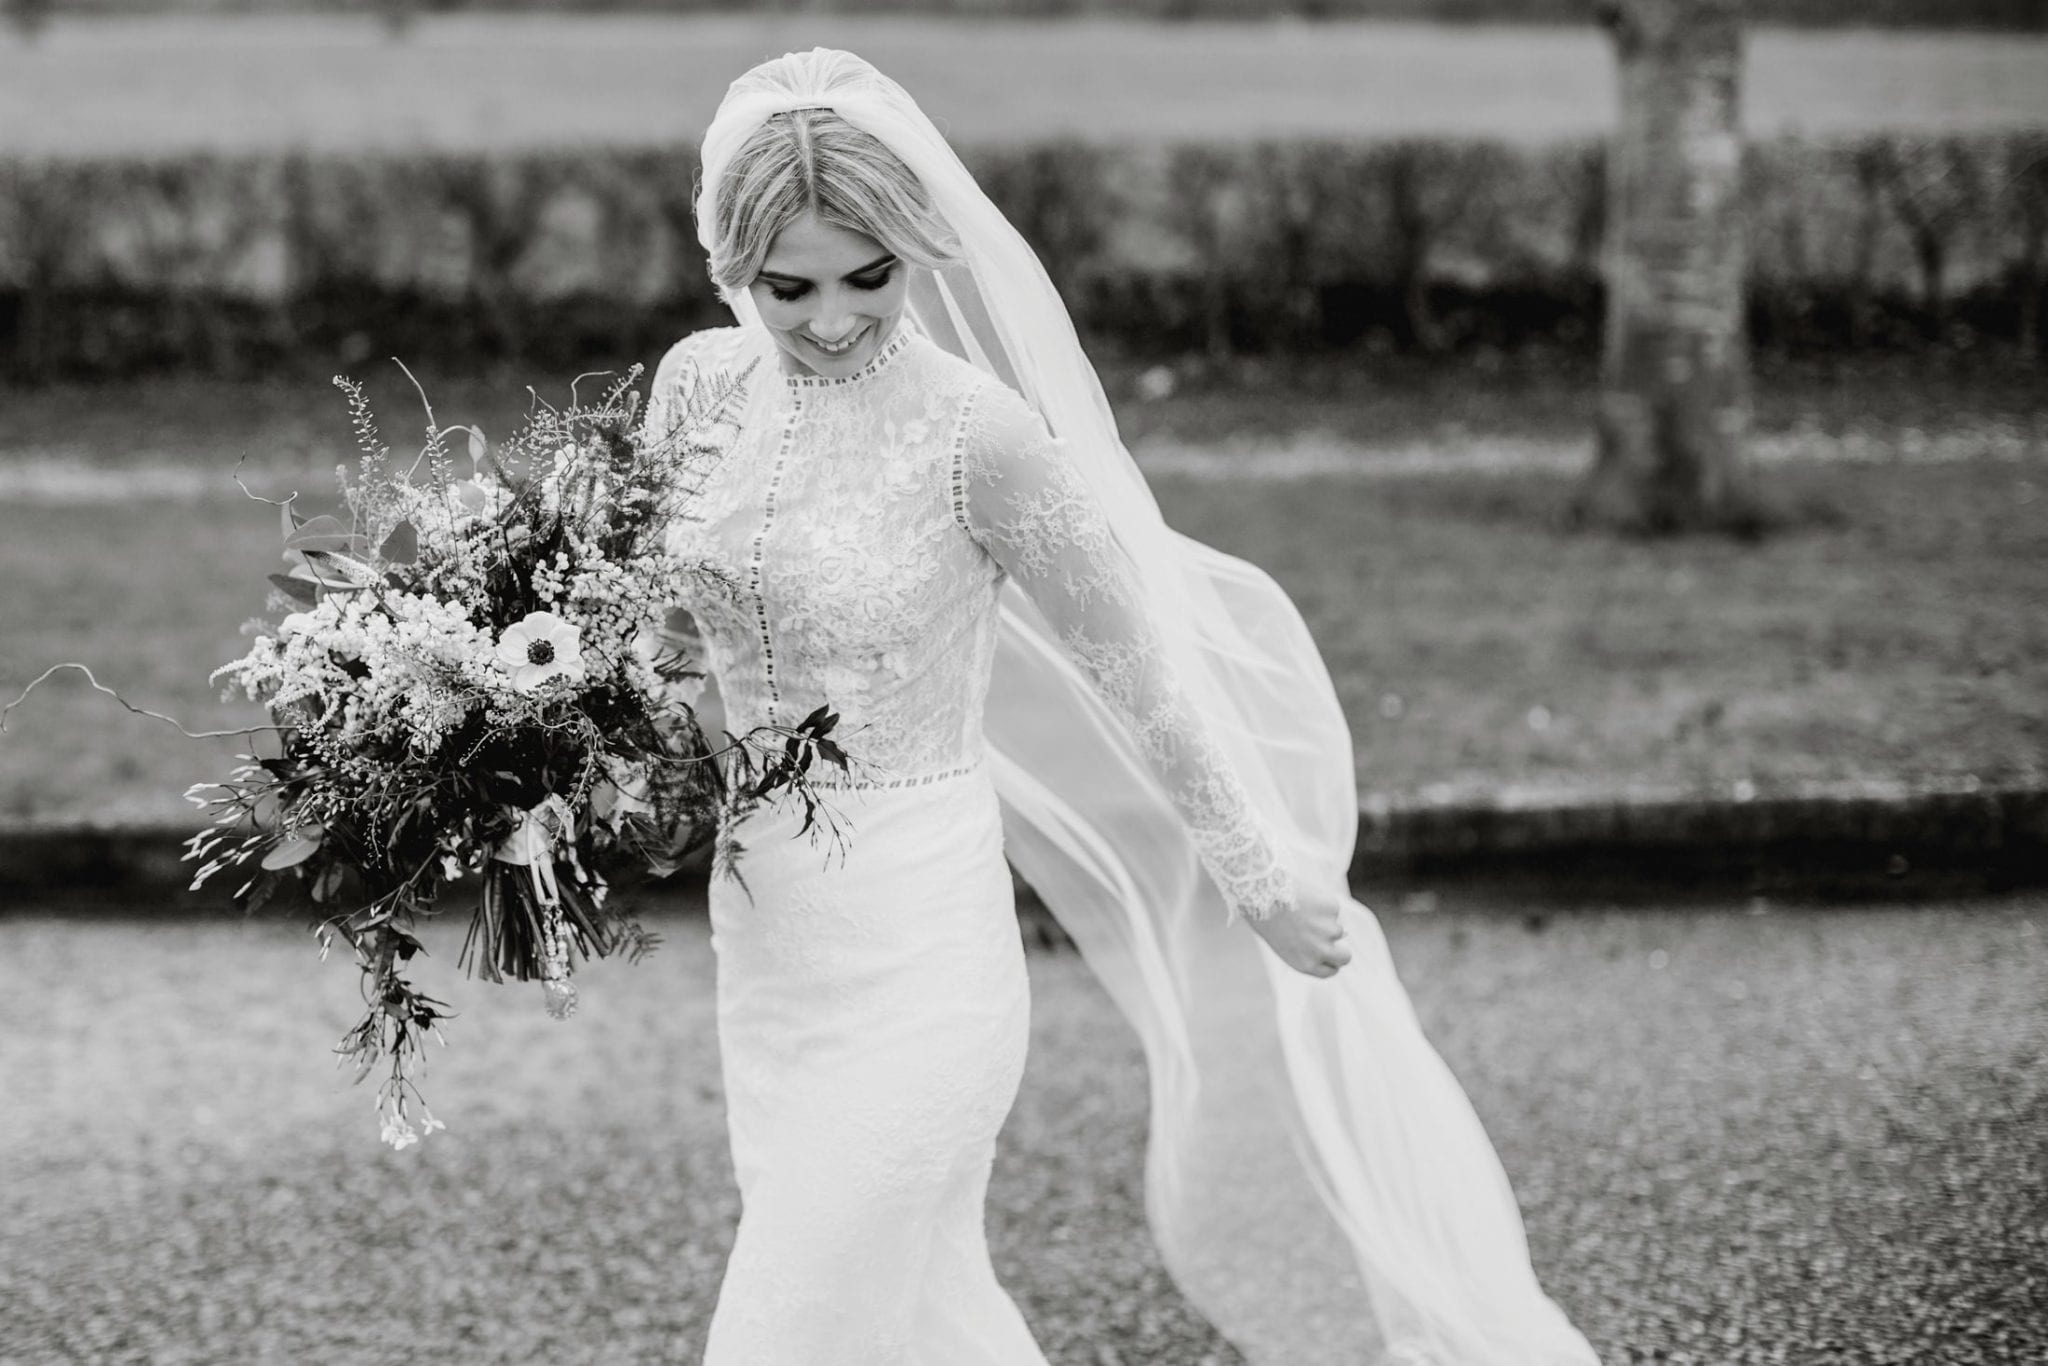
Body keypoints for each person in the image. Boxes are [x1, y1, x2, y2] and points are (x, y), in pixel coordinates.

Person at [649, 48, 1600, 1366]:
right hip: (766, 934)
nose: (824, 318)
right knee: (914, 1296)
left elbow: (1140, 666)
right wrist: (515, 739)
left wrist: (1259, 873)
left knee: (797, 1306)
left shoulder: (978, 435)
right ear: (728, 264)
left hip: (920, 937)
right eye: (784, 284)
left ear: (913, 248)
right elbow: (650, 626)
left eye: (865, 277)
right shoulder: (695, 390)